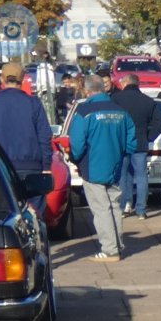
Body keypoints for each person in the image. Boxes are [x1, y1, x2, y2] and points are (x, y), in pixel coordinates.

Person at [69, 74, 136, 260]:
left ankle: (109, 249)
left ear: (87, 91)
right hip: (114, 164)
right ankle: (117, 244)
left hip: (92, 165)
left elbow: (77, 143)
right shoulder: (120, 110)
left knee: (101, 208)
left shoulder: (84, 111)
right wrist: (123, 154)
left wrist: (75, 159)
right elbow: (131, 140)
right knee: (114, 205)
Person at [0, 61, 52, 209]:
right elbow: (44, 136)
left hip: (1, 167)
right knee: (35, 214)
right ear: (22, 79)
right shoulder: (33, 103)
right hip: (32, 167)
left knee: (8, 212)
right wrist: (46, 165)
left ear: (2, 80)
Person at [109, 73, 157, 218]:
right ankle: (141, 210)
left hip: (122, 142)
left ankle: (124, 206)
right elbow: (159, 122)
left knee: (123, 175)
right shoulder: (148, 101)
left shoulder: (116, 99)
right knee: (141, 175)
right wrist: (149, 136)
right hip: (140, 141)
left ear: (125, 83)